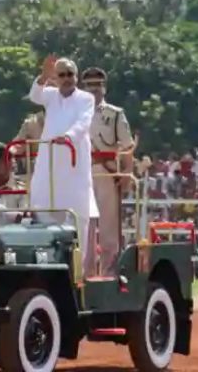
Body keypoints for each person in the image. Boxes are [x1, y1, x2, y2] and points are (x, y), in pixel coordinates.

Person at [28, 55, 98, 273]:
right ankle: (47, 264)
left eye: (70, 74)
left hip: (74, 160)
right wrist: (43, 76)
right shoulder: (51, 96)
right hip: (49, 161)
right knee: (42, 204)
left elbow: (83, 123)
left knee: (78, 212)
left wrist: (68, 137)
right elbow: (34, 95)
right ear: (55, 78)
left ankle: (78, 271)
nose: (67, 79)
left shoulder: (86, 98)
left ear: (76, 77)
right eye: (62, 75)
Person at [82, 67, 135, 277]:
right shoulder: (76, 112)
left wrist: (127, 173)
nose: (94, 89)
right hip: (81, 173)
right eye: (89, 85)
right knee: (84, 226)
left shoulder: (114, 114)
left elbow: (127, 146)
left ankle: (109, 274)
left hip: (105, 172)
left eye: (98, 84)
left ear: (105, 87)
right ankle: (84, 275)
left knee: (108, 228)